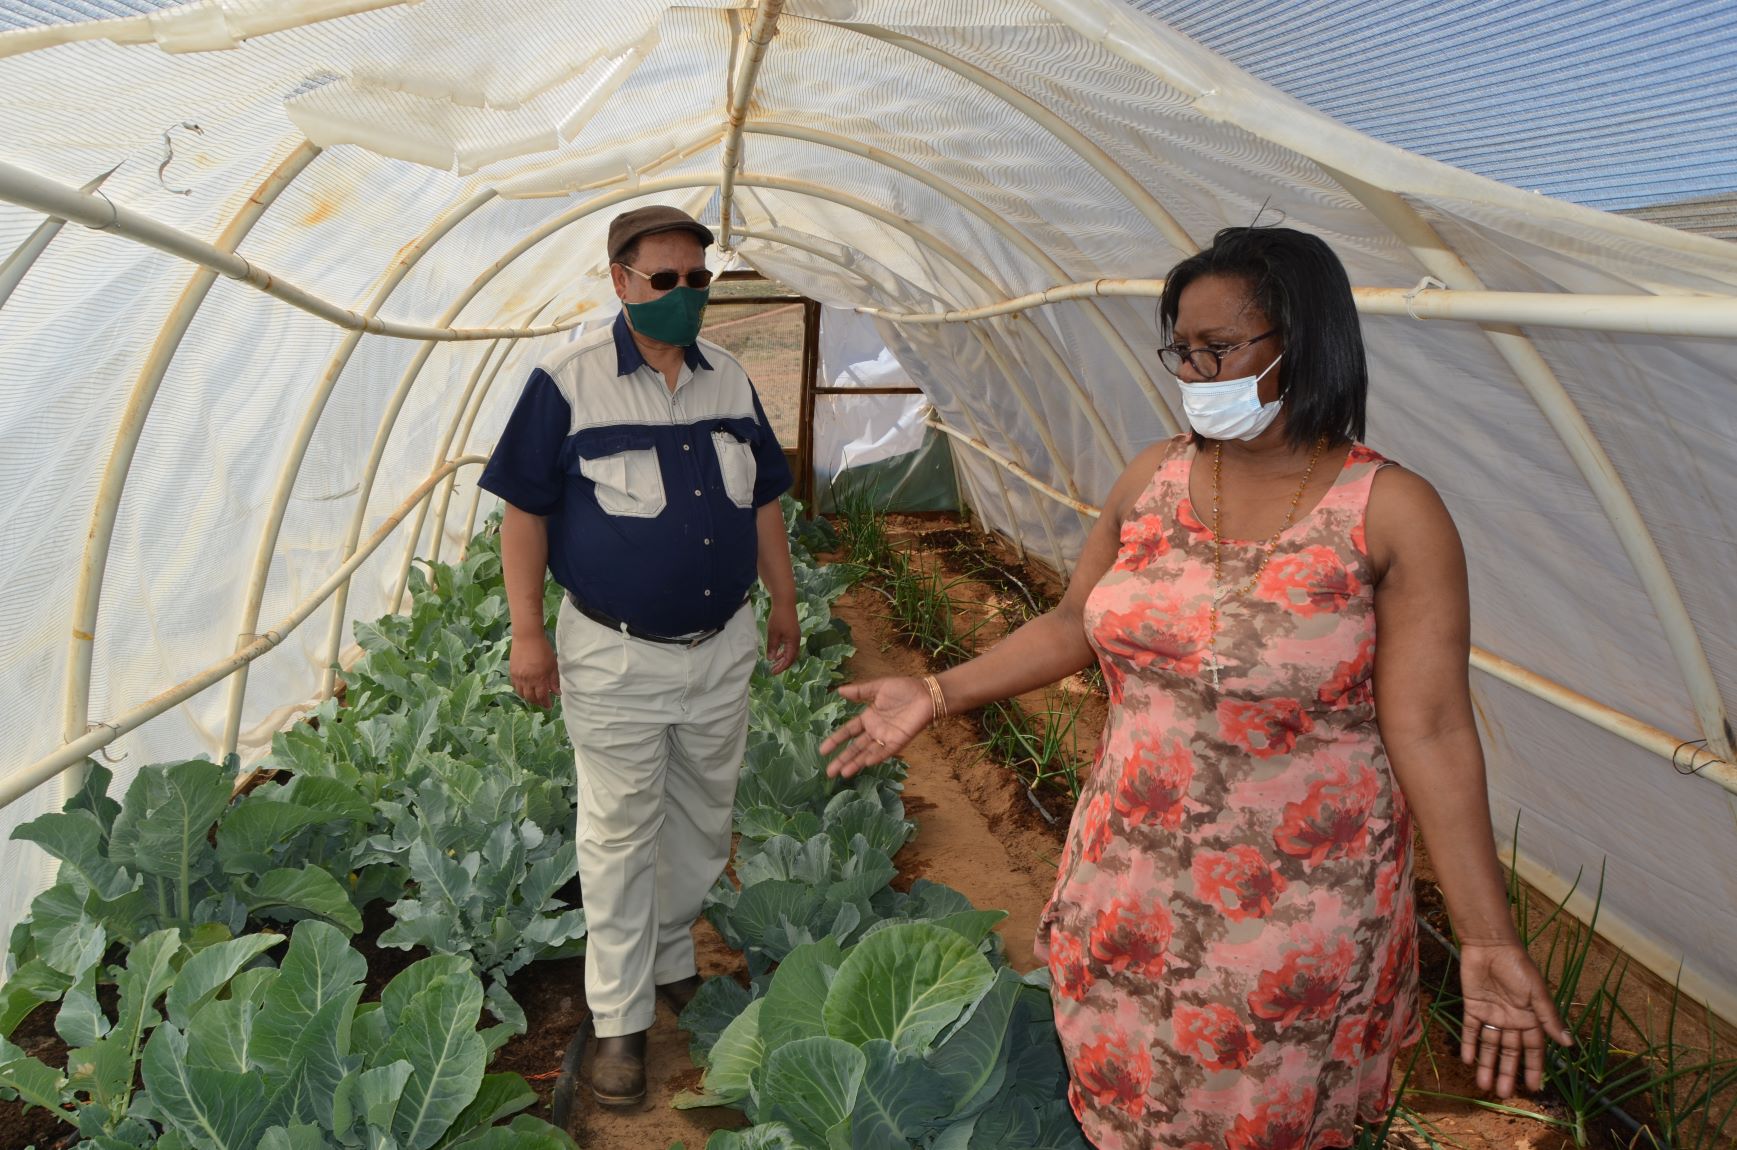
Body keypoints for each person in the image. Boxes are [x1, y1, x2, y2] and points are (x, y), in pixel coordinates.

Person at [820, 226, 1572, 1148]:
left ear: (1305, 339)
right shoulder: (1154, 477)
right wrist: (935, 693)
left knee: (1260, 1117)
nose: (1195, 369)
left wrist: (1486, 939)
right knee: (1127, 1103)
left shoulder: (1389, 512)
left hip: (1295, 907)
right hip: (1127, 875)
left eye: (1220, 348)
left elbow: (1432, 729)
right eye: (1182, 348)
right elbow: (1069, 624)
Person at [480, 204, 799, 1109]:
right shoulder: (567, 382)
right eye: (666, 280)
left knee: (701, 820)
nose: (686, 295)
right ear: (620, 282)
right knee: (619, 836)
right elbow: (523, 513)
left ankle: (667, 961)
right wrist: (528, 632)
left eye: (700, 279)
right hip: (615, 654)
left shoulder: (730, 380)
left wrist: (781, 597)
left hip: (721, 645)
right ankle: (618, 1019)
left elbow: (764, 501)